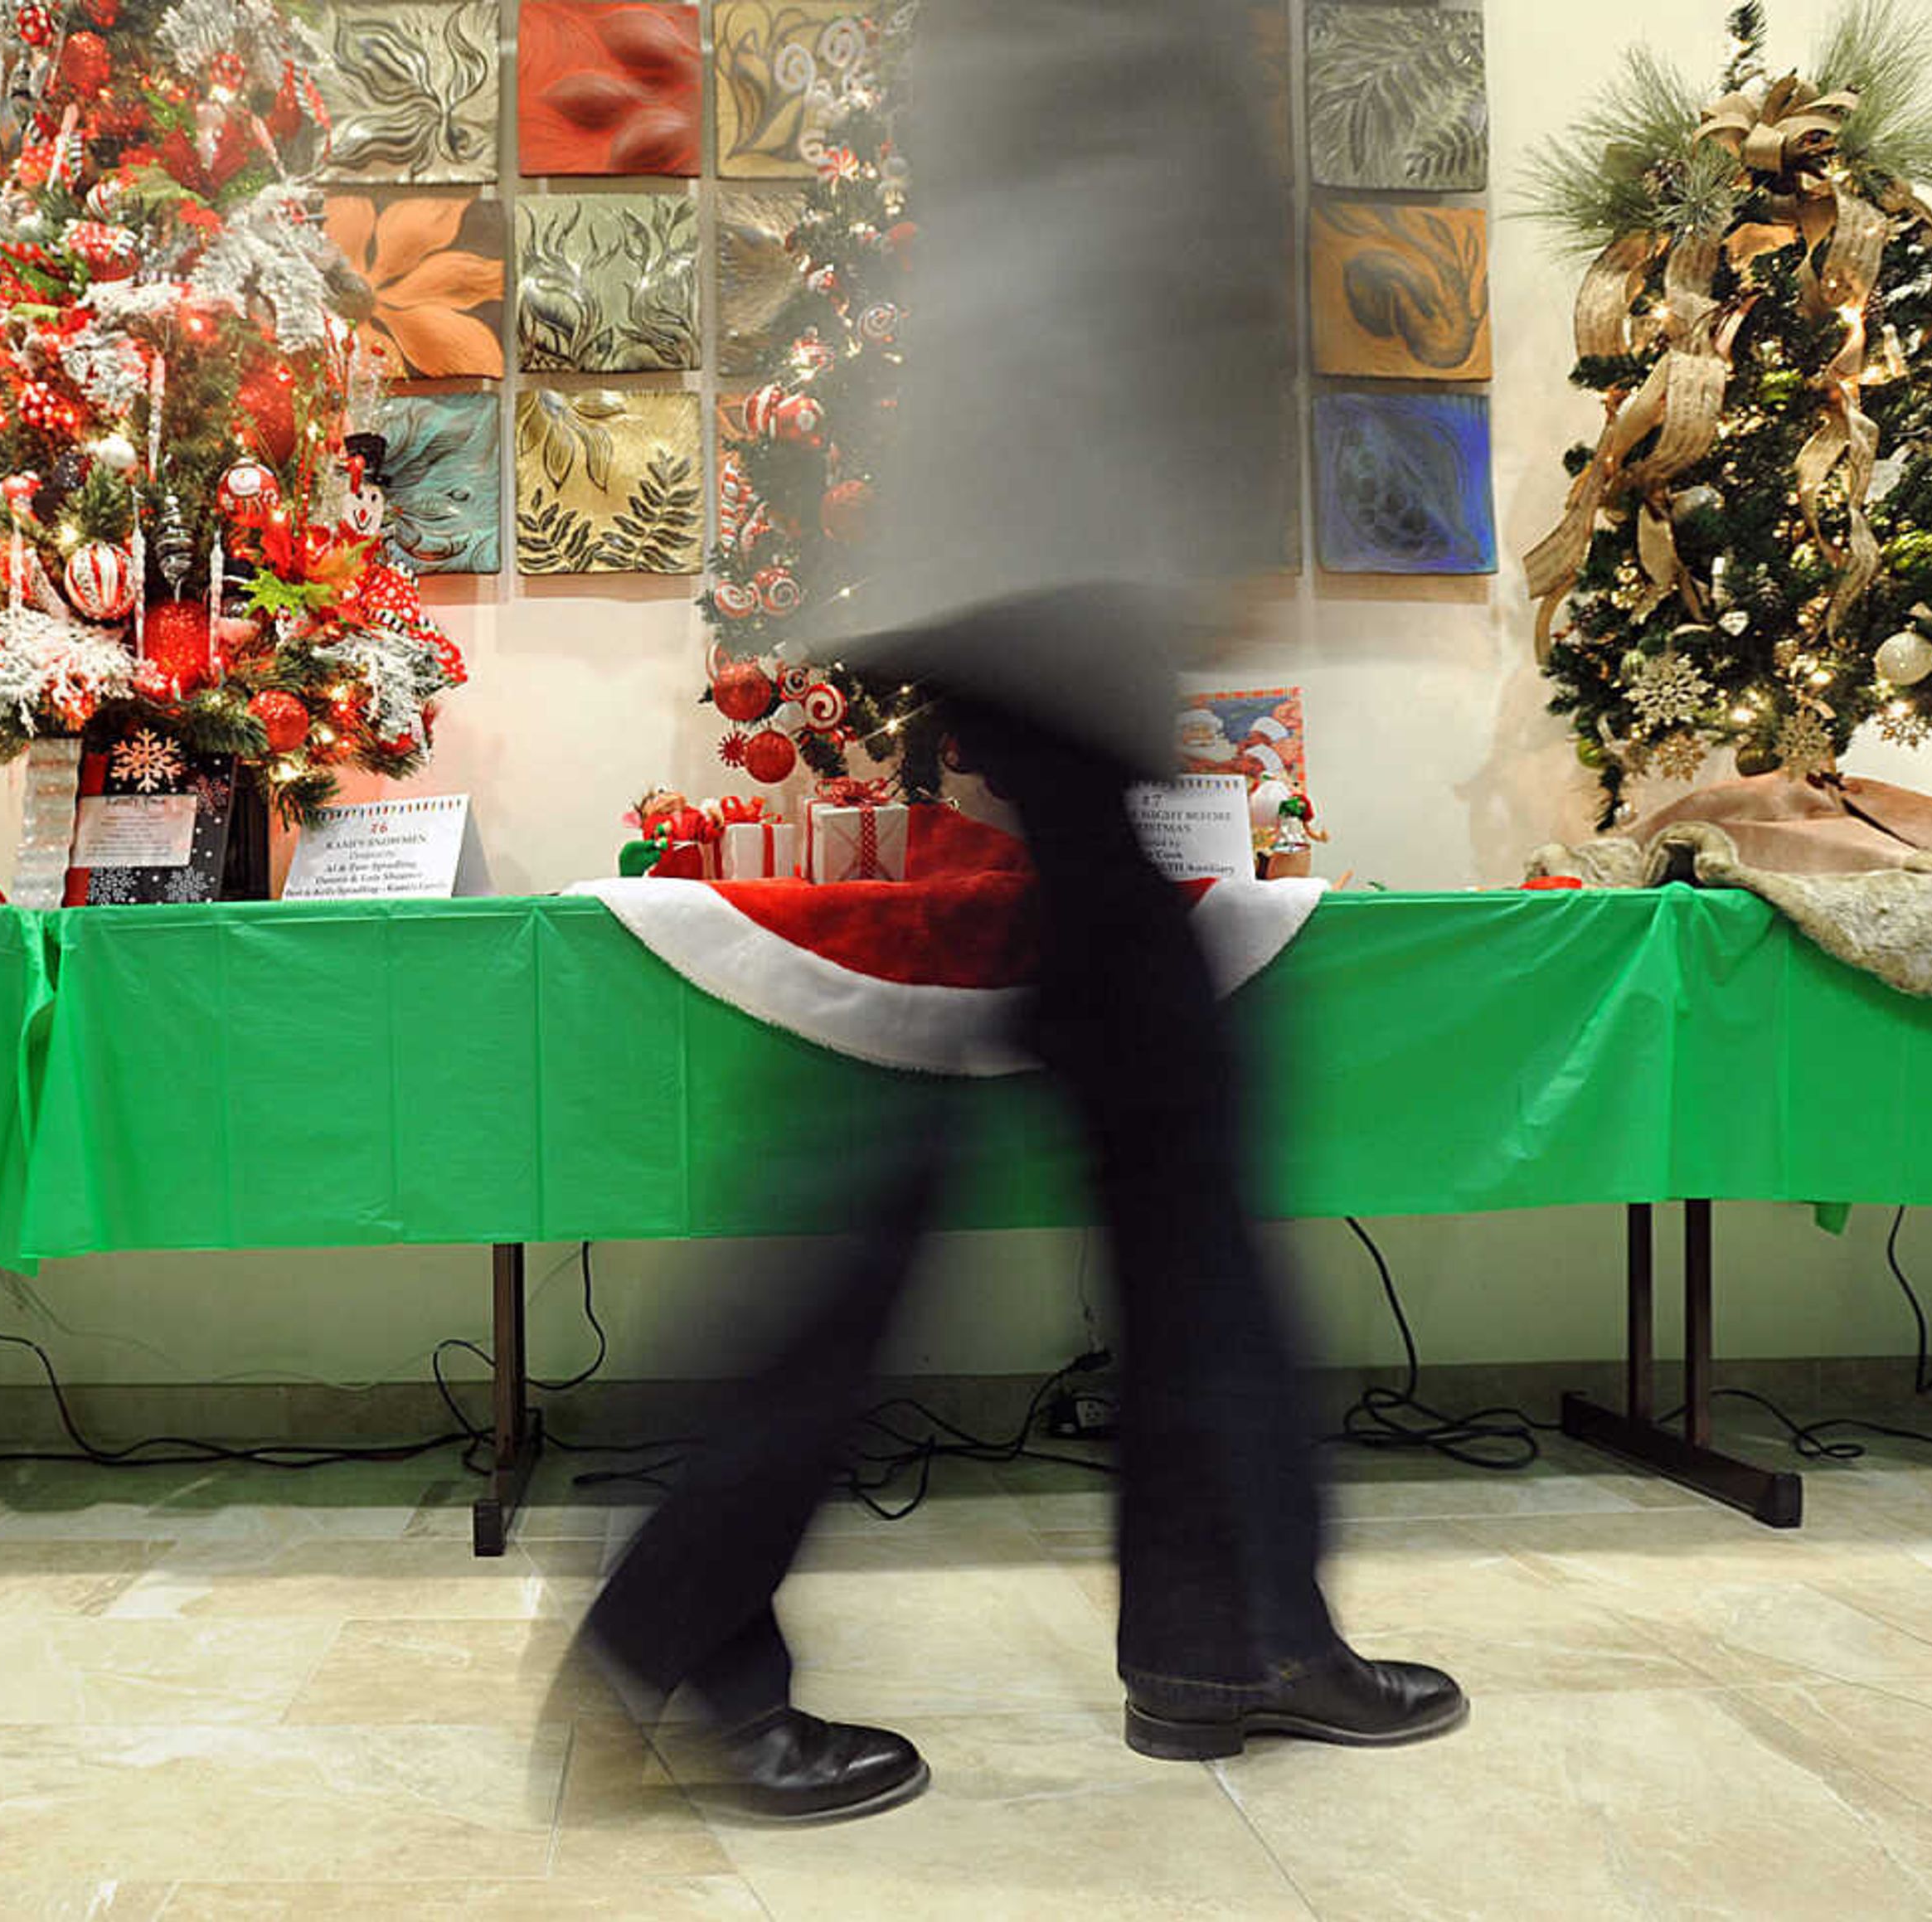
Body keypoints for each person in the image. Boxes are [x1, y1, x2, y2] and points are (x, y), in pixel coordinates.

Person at [570, 0, 1465, 1823]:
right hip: (1064, 548)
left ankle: (1225, 1628)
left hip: (1025, 541)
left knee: (1138, 1126)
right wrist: (1208, 530)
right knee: (1026, 1139)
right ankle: (680, 1630)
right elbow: (1176, 202)